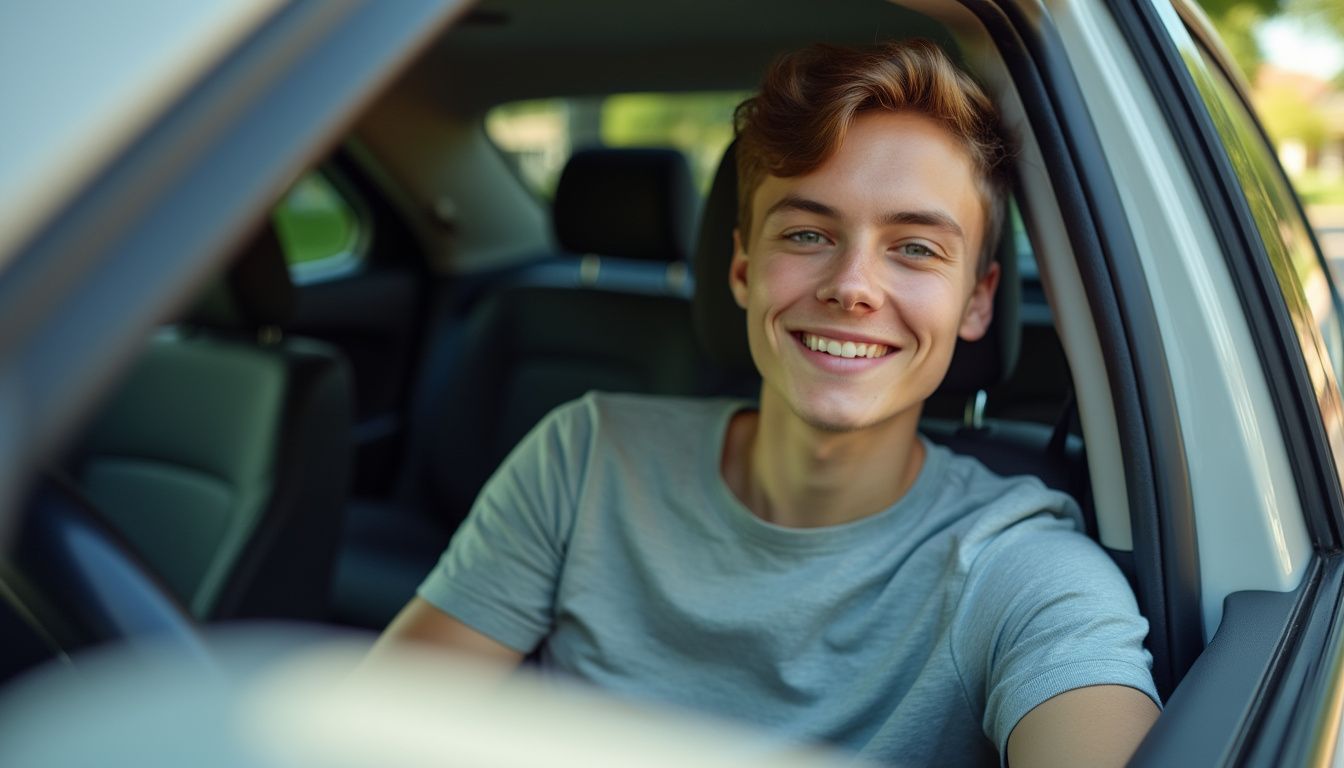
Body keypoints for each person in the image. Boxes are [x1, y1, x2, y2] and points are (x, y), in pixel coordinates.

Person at [369, 39, 1160, 767]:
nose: (852, 286)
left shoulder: (1018, 568)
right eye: (808, 234)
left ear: (978, 302)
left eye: (915, 248)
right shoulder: (585, 456)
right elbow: (376, 733)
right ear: (743, 269)